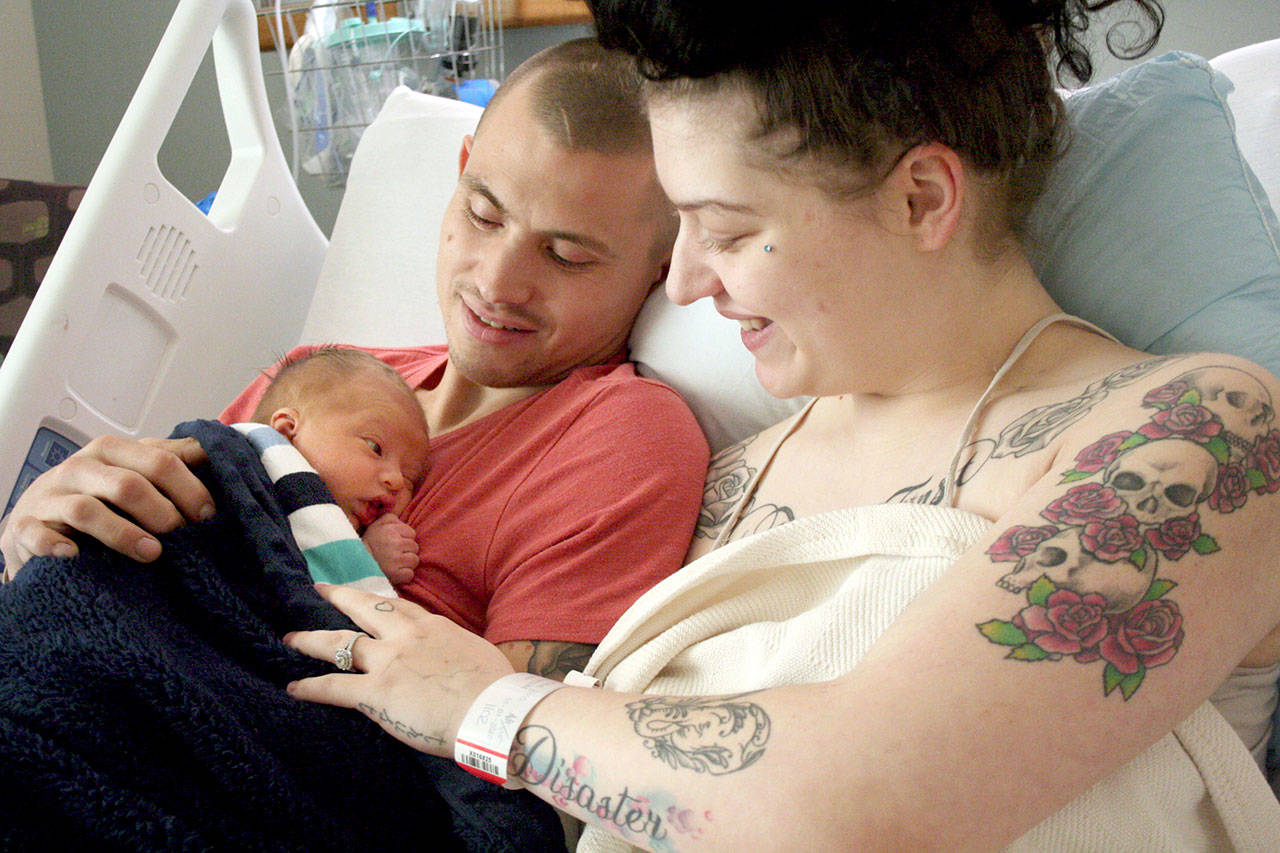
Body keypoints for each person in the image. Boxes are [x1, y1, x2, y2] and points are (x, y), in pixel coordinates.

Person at [277, 1, 1280, 849]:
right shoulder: (729, 478)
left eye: (727, 228)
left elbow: (858, 801)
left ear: (919, 198)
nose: (684, 283)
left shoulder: (1196, 431)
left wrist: (491, 707)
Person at [1, 37, 709, 681]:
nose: (496, 282)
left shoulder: (619, 435)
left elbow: (511, 742)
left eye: (566, 255)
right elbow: (172, 557)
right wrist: (43, 531)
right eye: (483, 215)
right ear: (460, 174)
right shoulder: (320, 379)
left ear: (661, 263)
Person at [244, 345, 431, 583]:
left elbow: (303, 587)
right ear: (287, 431)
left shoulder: (339, 535)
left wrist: (365, 558)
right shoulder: (240, 476)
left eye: (409, 479)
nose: (395, 480)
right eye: (375, 447)